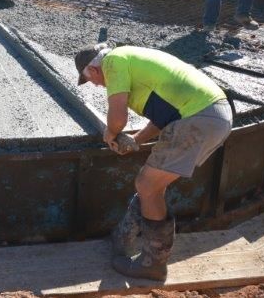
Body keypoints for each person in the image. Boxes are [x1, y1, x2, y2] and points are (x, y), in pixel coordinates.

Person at [74, 43, 232, 281]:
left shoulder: (114, 61)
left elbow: (117, 119)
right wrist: (136, 141)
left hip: (198, 118)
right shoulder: (132, 61)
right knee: (152, 186)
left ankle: (153, 263)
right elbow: (162, 118)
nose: (96, 85)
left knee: (147, 185)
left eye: (91, 79)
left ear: (93, 68)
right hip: (211, 116)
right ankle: (127, 241)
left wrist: (110, 133)